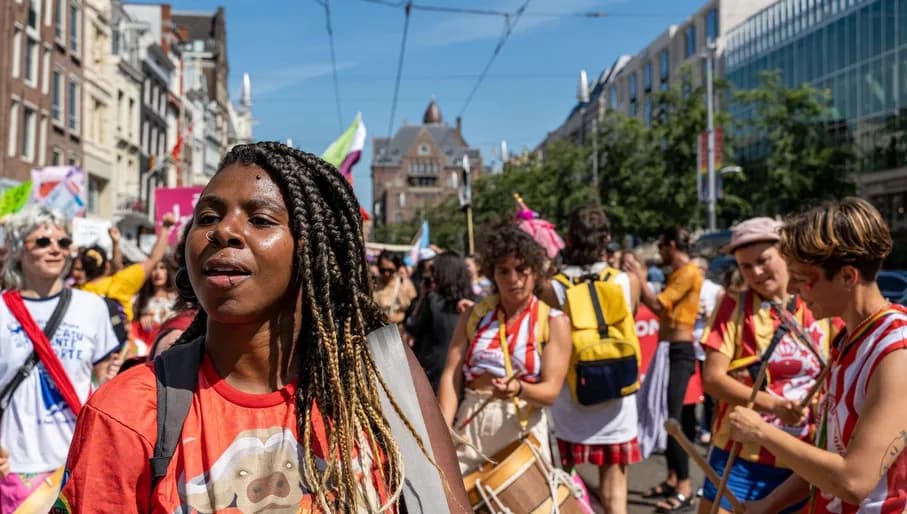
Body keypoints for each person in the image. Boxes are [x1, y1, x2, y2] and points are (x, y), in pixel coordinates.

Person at [56, 142, 469, 513]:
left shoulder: (381, 377)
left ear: (314, 251)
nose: (223, 231)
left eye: (260, 219)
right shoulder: (126, 412)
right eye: (208, 216)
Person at [728, 198, 907, 514]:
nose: (793, 290)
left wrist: (761, 432)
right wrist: (767, 505)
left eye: (801, 279)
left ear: (848, 277)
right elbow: (828, 455)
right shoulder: (848, 340)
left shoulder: (896, 352)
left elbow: (853, 481)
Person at [697, 217, 840, 514]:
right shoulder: (733, 306)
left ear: (785, 255)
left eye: (763, 261)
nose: (756, 273)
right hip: (740, 456)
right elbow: (712, 379)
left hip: (805, 457)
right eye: (746, 266)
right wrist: (774, 406)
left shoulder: (821, 303)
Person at [0, 206, 120, 512]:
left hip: (76, 464)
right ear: (18, 250)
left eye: (63, 242)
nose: (55, 249)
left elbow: (104, 385)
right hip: (15, 469)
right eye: (42, 242)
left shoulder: (93, 307)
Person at [438, 225, 571, 474]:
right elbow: (451, 375)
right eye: (503, 271)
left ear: (535, 271)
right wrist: (443, 431)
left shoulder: (554, 321)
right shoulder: (474, 315)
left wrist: (519, 389)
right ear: (492, 273)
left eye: (521, 269)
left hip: (521, 427)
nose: (513, 279)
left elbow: (551, 391)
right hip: (471, 424)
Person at [546, 206, 642, 514]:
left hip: (571, 401)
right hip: (618, 399)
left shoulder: (553, 287)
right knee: (616, 494)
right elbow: (630, 317)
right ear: (607, 238)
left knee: (566, 486)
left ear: (569, 238)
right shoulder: (627, 281)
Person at [630, 226, 703, 513]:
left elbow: (659, 305)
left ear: (671, 245)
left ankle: (685, 487)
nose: (659, 252)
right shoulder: (678, 272)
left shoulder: (688, 272)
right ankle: (673, 478)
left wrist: (639, 279)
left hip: (679, 351)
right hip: (667, 350)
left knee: (674, 420)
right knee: (664, 415)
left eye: (660, 245)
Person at [74, 215, 176, 322]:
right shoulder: (121, 282)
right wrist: (165, 227)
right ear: (106, 266)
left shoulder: (76, 294)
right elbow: (154, 259)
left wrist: (116, 244)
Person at [406, 251, 475, 391]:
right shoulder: (474, 304)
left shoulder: (433, 301)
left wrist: (422, 297)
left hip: (435, 374)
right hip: (465, 374)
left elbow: (413, 327)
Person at [693, 256, 725, 446]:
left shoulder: (715, 290)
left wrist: (707, 314)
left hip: (707, 349)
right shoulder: (686, 288)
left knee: (710, 395)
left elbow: (722, 316)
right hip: (690, 348)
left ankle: (710, 429)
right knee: (693, 394)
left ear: (703, 271)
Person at [130, 255, 178, 354]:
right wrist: (141, 319)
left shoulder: (177, 299)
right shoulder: (138, 300)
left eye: (162, 268)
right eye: (153, 268)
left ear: (167, 271)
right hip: (147, 349)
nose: (157, 273)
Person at [373, 250, 417, 325]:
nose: (386, 274)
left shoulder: (405, 284)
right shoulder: (373, 283)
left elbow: (413, 308)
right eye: (383, 270)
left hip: (397, 328)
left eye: (390, 270)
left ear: (397, 268)